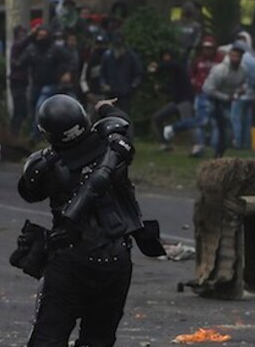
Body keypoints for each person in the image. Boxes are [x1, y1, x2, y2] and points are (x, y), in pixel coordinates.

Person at [13, 95, 164, 346]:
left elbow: (30, 192)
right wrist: (106, 106)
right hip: (116, 259)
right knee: (99, 339)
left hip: (71, 260)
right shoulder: (114, 144)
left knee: (48, 338)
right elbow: (123, 121)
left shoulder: (45, 166)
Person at [164, 36, 222, 157]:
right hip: (201, 94)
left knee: (216, 121)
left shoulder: (219, 60)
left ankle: (216, 149)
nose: (208, 51)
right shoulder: (198, 61)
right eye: (205, 48)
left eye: (210, 48)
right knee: (201, 120)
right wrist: (196, 84)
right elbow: (191, 75)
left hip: (217, 95)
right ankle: (199, 146)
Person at [17, 26, 75, 121]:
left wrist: (67, 73)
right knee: (32, 110)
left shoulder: (55, 49)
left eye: (44, 36)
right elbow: (20, 62)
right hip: (35, 84)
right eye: (40, 35)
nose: (41, 38)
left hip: (50, 84)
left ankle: (36, 134)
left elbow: (70, 59)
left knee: (40, 108)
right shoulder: (31, 48)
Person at [203, 45, 249, 158]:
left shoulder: (243, 70)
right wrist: (226, 97)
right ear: (229, 56)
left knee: (225, 128)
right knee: (214, 124)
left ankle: (219, 153)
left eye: (238, 56)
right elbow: (208, 88)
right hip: (213, 98)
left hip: (226, 100)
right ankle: (215, 151)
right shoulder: (220, 70)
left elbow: (244, 84)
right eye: (233, 56)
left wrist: (241, 90)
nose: (235, 59)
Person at [149, 49, 193, 152]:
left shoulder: (178, 66)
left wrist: (157, 66)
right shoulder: (174, 74)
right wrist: (161, 88)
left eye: (166, 56)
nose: (165, 59)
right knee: (157, 118)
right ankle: (165, 144)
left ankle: (196, 146)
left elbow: (171, 65)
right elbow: (173, 89)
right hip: (176, 102)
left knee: (189, 125)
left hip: (185, 101)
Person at [99, 33, 143, 113]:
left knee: (124, 116)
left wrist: (133, 86)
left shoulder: (131, 56)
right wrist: (103, 84)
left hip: (125, 94)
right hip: (111, 93)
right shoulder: (107, 56)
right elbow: (102, 73)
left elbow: (138, 73)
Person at [231, 38, 255, 150]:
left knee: (236, 118)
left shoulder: (239, 60)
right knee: (248, 120)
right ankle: (248, 144)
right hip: (251, 94)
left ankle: (237, 142)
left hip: (239, 93)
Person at [9, 25, 31, 134]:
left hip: (22, 81)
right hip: (17, 81)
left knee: (22, 110)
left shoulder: (23, 49)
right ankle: (14, 133)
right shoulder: (16, 45)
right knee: (19, 109)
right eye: (22, 32)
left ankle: (17, 132)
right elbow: (22, 44)